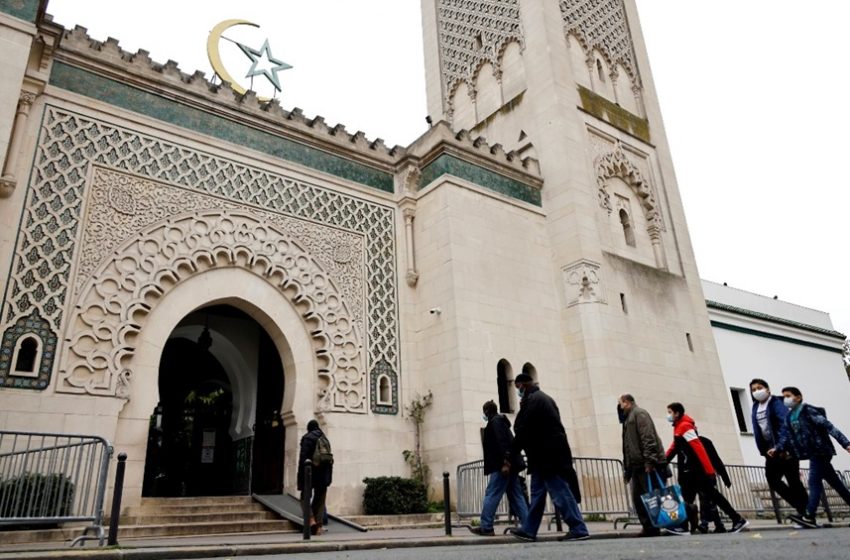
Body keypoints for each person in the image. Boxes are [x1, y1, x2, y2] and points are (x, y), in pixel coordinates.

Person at [507, 373, 589, 542]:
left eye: (517, 388)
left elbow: (524, 429)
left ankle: (578, 527)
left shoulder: (535, 401)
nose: (518, 392)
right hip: (543, 457)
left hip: (547, 457)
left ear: (523, 385)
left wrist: (511, 452)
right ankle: (529, 530)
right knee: (537, 495)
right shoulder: (541, 399)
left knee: (560, 492)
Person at [769, 387, 850, 528]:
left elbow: (828, 426)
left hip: (821, 451)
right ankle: (809, 516)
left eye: (788, 396)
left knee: (813, 482)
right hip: (811, 453)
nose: (786, 399)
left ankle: (809, 516)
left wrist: (846, 443)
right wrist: (777, 448)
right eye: (784, 397)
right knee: (836, 484)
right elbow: (786, 436)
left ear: (798, 397)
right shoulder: (789, 417)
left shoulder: (808, 411)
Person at [665, 403, 749, 534]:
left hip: (697, 471)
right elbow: (674, 448)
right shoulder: (678, 427)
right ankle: (683, 526)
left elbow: (699, 449)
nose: (668, 415)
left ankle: (737, 519)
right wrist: (663, 461)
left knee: (711, 496)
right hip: (691, 471)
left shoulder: (685, 426)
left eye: (670, 412)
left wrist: (709, 471)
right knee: (690, 498)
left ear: (676, 413)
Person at [468, 400, 529, 536]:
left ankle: (486, 526)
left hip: (502, 466)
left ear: (487, 411)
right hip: (509, 465)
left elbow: (503, 444)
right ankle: (528, 526)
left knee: (492, 494)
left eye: (484, 412)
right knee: (516, 495)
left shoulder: (495, 423)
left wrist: (506, 463)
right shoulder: (501, 422)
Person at [749, 378, 808, 517]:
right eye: (753, 390)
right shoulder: (755, 407)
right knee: (772, 479)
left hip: (785, 448)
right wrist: (764, 449)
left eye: (759, 388)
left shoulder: (776, 403)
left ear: (768, 389)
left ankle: (805, 511)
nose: (756, 391)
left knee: (793, 480)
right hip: (770, 451)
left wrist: (780, 445)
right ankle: (803, 507)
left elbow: (785, 425)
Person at [618, 394, 667, 537]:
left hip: (645, 463)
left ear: (626, 403)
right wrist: (628, 470)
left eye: (620, 404)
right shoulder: (629, 418)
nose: (620, 407)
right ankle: (649, 527)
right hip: (636, 465)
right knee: (639, 499)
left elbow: (648, 437)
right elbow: (628, 446)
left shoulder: (639, 414)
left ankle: (682, 515)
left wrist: (650, 461)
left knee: (655, 497)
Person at [297, 419, 333, 535]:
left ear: (309, 428)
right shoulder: (325, 439)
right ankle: (319, 526)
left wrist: (301, 478)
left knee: (304, 497)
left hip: (311, 474)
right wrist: (328, 478)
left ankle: (311, 520)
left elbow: (303, 459)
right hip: (323, 475)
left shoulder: (307, 438)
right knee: (320, 499)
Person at [695, 435, 730, 534]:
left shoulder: (704, 442)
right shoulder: (701, 441)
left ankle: (706, 524)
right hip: (703, 475)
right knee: (707, 500)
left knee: (707, 500)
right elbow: (716, 459)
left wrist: (725, 477)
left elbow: (715, 459)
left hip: (707, 475)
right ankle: (716, 524)